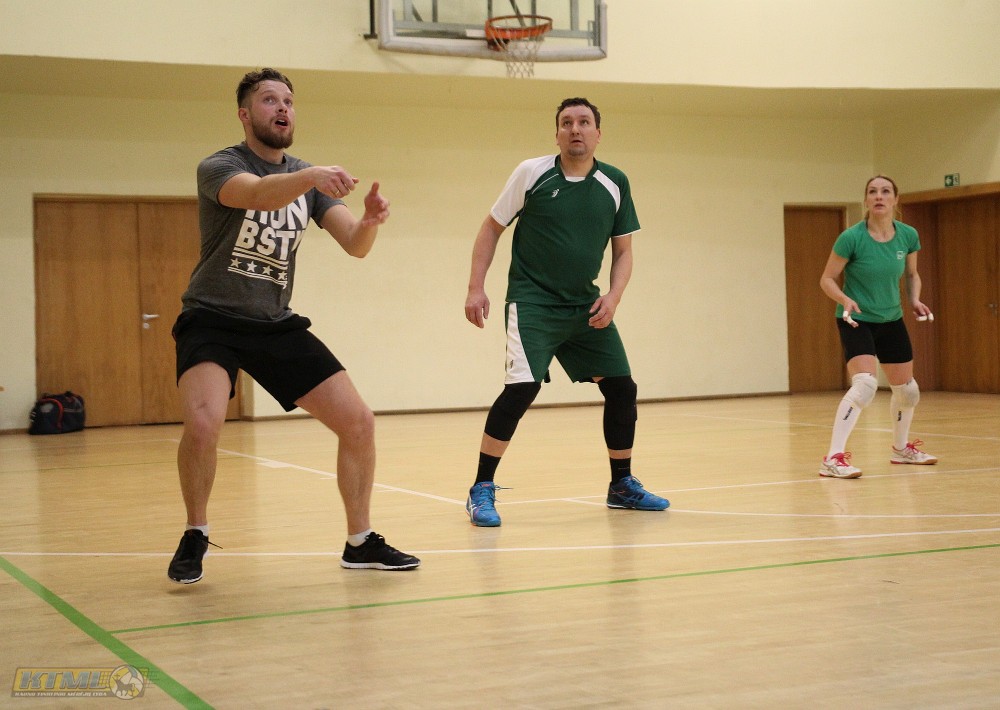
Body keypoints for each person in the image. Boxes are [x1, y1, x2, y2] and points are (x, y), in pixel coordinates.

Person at [167, 68, 419, 583]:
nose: (282, 108)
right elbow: (259, 195)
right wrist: (311, 177)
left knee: (359, 422)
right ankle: (195, 531)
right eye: (269, 100)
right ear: (245, 114)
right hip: (212, 319)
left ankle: (360, 542)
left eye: (288, 100)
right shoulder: (220, 166)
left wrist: (369, 222)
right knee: (205, 422)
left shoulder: (307, 178)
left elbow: (354, 245)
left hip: (274, 323)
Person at [462, 97, 669, 527]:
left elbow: (624, 250)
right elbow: (491, 228)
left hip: (585, 305)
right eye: (567, 122)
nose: (576, 129)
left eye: (584, 122)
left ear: (598, 133)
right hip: (533, 302)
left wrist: (613, 297)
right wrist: (475, 287)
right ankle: (481, 487)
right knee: (521, 389)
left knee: (622, 388)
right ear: (557, 133)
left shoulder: (615, 182)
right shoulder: (531, 172)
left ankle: (621, 485)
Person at [818, 174, 938, 479]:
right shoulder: (851, 238)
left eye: (885, 191)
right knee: (865, 386)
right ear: (866, 200)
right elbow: (827, 279)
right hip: (856, 318)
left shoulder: (908, 235)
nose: (879, 196)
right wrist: (844, 299)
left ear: (895, 199)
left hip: (891, 319)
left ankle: (901, 449)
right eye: (873, 192)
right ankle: (833, 458)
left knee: (908, 392)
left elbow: (912, 274)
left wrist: (914, 300)